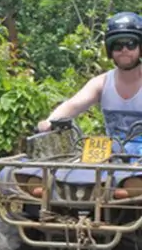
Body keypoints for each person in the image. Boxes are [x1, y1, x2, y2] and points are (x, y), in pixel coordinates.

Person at [37, 11, 142, 148]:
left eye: (131, 44)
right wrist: (49, 122)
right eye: (117, 45)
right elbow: (73, 104)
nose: (124, 50)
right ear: (110, 50)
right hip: (113, 157)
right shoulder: (102, 83)